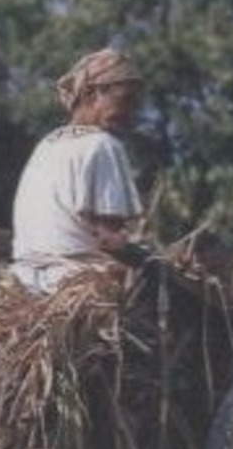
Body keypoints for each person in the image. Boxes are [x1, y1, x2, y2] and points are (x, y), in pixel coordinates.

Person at [10, 47, 146, 294]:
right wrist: (151, 259)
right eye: (125, 100)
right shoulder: (103, 145)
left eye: (135, 103)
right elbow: (109, 240)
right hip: (76, 281)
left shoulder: (47, 144)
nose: (131, 113)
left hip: (26, 281)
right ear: (91, 93)